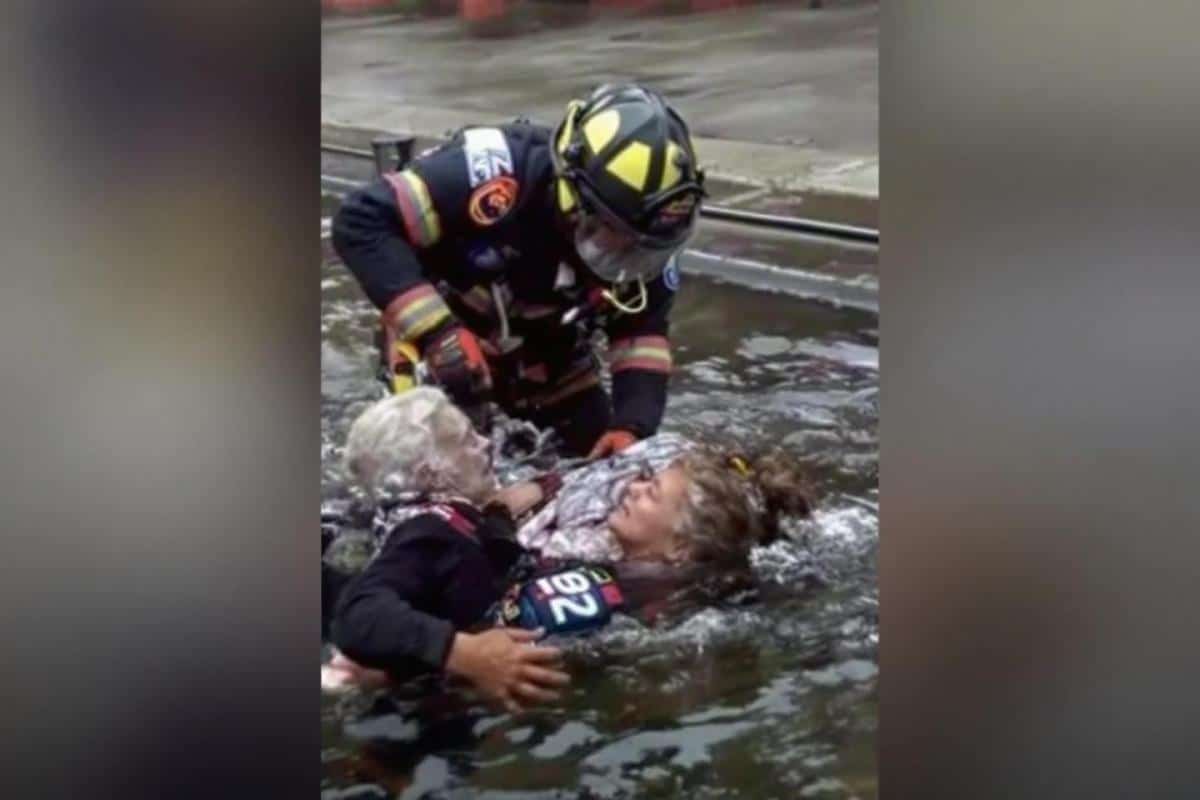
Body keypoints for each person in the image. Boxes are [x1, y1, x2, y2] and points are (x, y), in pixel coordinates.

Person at [325, 389, 816, 700]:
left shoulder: (602, 593)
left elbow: (509, 637)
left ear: (682, 547)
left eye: (652, 493)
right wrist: (508, 507)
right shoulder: (603, 561)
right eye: (642, 476)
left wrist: (414, 669)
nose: (631, 486)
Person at [331, 83, 707, 457]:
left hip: (551, 358)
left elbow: (642, 333)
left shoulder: (651, 235)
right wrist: (437, 332)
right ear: (572, 195)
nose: (626, 256)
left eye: (638, 248)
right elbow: (361, 221)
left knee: (599, 470)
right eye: (613, 235)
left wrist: (631, 427)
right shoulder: (494, 171)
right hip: (447, 339)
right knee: (428, 474)